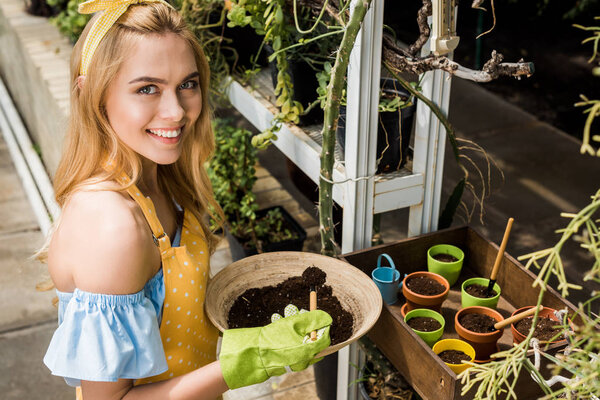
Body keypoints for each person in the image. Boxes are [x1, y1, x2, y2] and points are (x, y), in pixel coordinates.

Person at [40, 1, 332, 399]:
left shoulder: (161, 176)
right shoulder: (114, 227)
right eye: (147, 88)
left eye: (187, 84)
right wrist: (252, 359)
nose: (176, 111)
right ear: (91, 94)